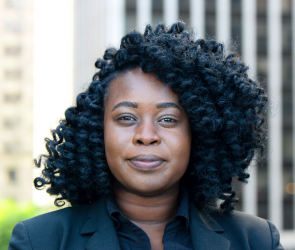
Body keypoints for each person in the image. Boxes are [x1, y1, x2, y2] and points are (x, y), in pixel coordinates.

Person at [9, 22, 284, 250]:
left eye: (168, 119)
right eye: (126, 118)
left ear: (198, 133)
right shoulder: (40, 241)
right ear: (98, 132)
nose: (146, 136)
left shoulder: (256, 240)